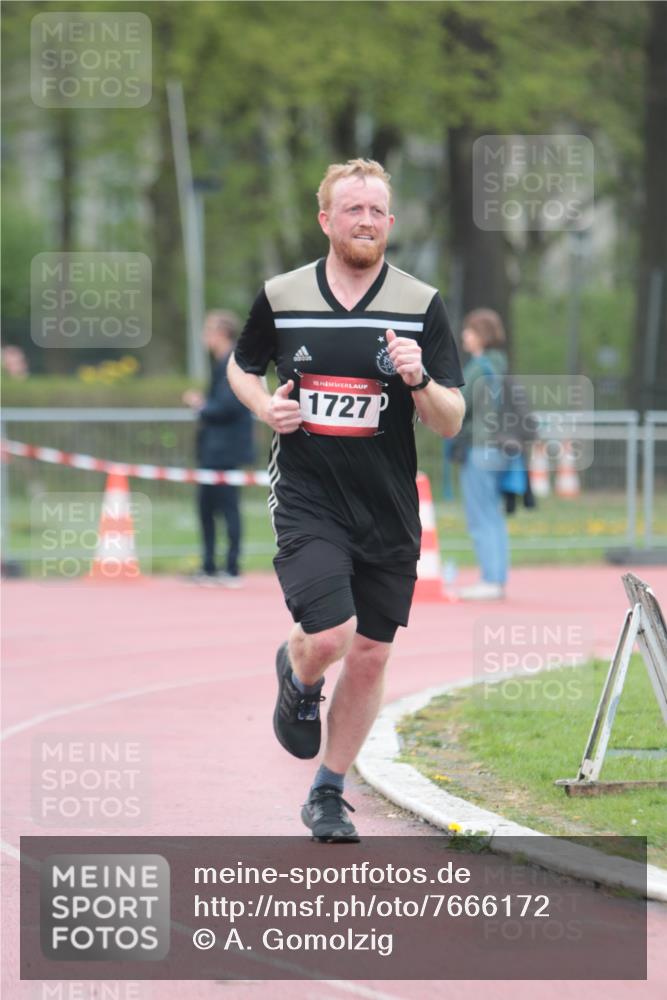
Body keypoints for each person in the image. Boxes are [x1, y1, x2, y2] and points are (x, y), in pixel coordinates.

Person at [228, 159, 465, 842]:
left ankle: (327, 791)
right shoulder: (283, 293)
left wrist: (419, 380)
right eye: (351, 209)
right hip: (307, 495)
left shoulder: (420, 304)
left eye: (376, 211)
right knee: (331, 635)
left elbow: (449, 419)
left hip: (387, 504)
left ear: (390, 222)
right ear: (325, 218)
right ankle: (300, 675)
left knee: (369, 655)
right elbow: (242, 365)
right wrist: (261, 405)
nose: (365, 221)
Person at [183, 310, 255, 586]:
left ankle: (232, 567)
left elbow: (229, 405)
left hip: (225, 450)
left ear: (221, 333)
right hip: (213, 449)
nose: (204, 336)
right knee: (206, 507)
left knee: (227, 507)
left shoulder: (234, 362)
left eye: (208, 330)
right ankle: (209, 565)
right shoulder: (221, 363)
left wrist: (200, 406)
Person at [454, 309, 510, 600]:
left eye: (469, 331)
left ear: (481, 336)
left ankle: (489, 579)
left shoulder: (478, 368)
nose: (465, 336)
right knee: (493, 514)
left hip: (480, 446)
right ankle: (498, 578)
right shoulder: (500, 364)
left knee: (479, 515)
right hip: (501, 447)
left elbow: (458, 406)